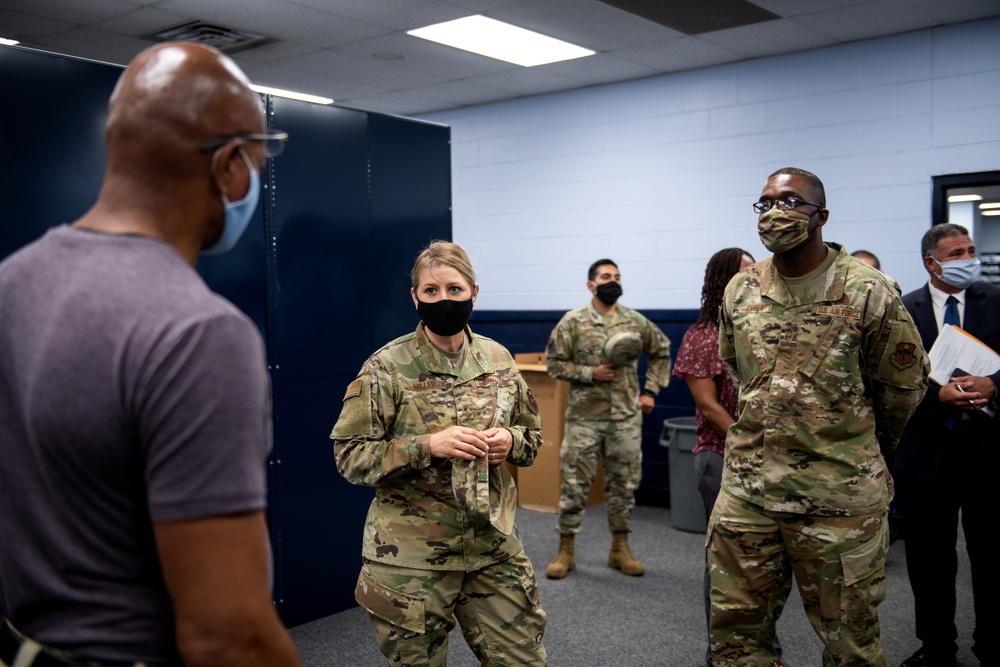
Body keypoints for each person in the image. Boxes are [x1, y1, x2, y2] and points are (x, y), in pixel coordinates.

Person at [0, 42, 300, 667]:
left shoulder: (10, 285)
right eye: (257, 162)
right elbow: (229, 637)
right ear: (229, 168)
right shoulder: (198, 333)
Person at [709, 167, 929, 667]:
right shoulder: (741, 289)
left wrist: (856, 448)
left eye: (790, 201)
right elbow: (738, 371)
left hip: (838, 498)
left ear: (821, 216)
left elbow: (901, 391)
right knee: (736, 639)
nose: (774, 213)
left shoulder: (868, 290)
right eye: (765, 203)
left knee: (850, 645)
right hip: (748, 494)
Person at [330, 241, 547, 666]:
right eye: (430, 291)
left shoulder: (499, 358)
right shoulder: (386, 367)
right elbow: (349, 456)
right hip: (413, 556)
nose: (443, 299)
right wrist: (427, 445)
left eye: (454, 288)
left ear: (474, 293)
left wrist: (510, 440)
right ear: (415, 298)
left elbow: (532, 437)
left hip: (492, 546)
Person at [672, 248, 788, 667]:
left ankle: (766, 650)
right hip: (725, 458)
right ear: (723, 280)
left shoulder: (763, 327)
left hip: (775, 460)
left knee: (769, 560)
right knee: (727, 563)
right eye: (745, 271)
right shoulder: (703, 335)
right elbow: (710, 407)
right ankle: (722, 653)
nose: (756, 276)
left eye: (758, 269)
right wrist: (754, 443)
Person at [894, 223, 1000, 667]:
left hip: (987, 452)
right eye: (958, 253)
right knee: (930, 562)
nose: (968, 259)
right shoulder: (903, 310)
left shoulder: (995, 300)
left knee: (992, 558)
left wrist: (994, 385)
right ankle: (937, 647)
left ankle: (993, 645)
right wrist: (935, 396)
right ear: (931, 263)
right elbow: (889, 383)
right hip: (927, 453)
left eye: (971, 250)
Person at [544, 259, 672, 579]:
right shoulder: (572, 322)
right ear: (591, 285)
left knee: (624, 486)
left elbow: (661, 351)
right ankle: (566, 550)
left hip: (625, 419)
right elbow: (554, 364)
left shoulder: (634, 321)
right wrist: (590, 373)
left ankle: (619, 549)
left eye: (616, 276)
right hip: (584, 419)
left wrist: (650, 392)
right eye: (605, 277)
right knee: (574, 486)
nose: (612, 281)